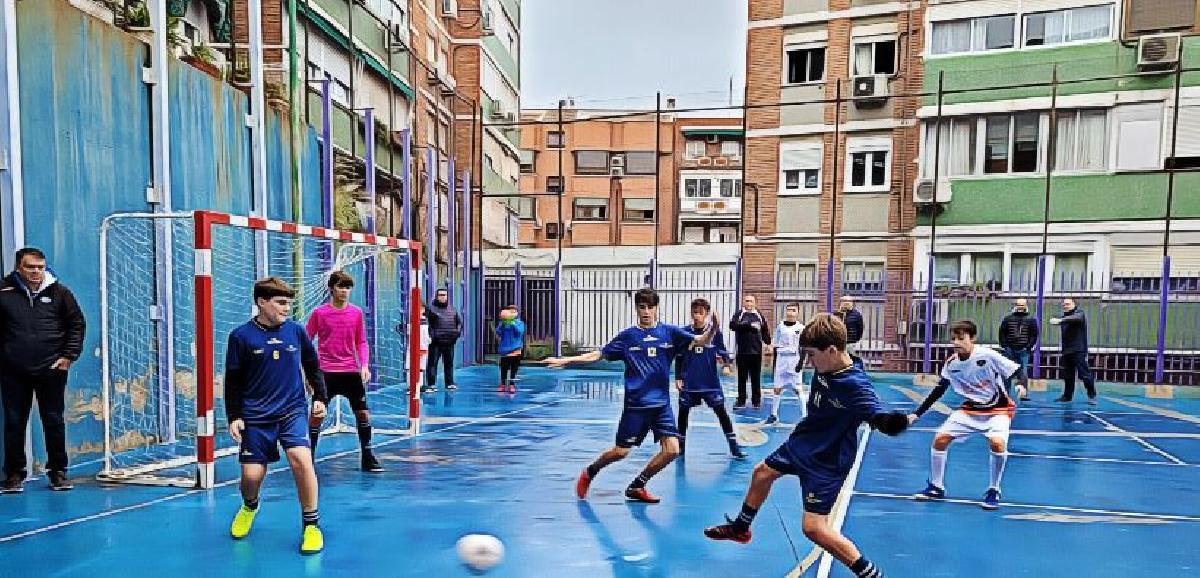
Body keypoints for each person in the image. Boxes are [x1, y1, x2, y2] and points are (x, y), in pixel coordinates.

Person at [704, 314, 909, 578]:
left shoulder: (855, 386)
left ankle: (870, 574)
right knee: (761, 473)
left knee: (813, 528)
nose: (809, 362)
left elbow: (876, 414)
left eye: (812, 355)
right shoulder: (831, 362)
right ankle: (741, 528)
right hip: (803, 441)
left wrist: (890, 422)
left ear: (832, 350)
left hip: (828, 458)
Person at [546, 287, 718, 504]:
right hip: (636, 405)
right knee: (620, 452)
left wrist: (714, 329)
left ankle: (638, 485)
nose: (646, 311)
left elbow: (701, 340)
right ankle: (591, 471)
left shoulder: (669, 332)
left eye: (650, 307)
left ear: (657, 308)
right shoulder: (628, 337)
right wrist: (564, 361)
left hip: (661, 405)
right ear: (637, 309)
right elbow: (598, 354)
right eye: (642, 307)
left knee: (672, 450)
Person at [225, 277, 328, 554]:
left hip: (292, 410)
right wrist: (234, 415)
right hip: (256, 416)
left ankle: (311, 526)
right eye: (280, 303)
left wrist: (320, 397)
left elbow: (312, 364)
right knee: (251, 477)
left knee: (301, 460)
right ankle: (249, 506)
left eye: (288, 303)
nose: (286, 309)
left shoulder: (296, 331)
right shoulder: (241, 337)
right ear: (261, 302)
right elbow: (232, 380)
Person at [909, 319, 1020, 511]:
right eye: (953, 338)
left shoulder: (987, 355)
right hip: (970, 410)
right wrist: (917, 414)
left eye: (961, 338)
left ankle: (994, 490)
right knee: (940, 439)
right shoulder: (952, 364)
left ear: (972, 338)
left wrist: (1021, 384)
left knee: (997, 443)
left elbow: (1016, 370)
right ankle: (936, 486)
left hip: (997, 410)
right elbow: (939, 389)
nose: (956, 342)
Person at [0, 248, 85, 494]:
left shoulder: (60, 293)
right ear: (19, 268)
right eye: (31, 267)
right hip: (13, 371)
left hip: (52, 370)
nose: (37, 272)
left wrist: (68, 356)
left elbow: (76, 324)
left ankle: (58, 472)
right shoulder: (4, 292)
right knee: (14, 422)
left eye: (40, 267)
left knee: (53, 420)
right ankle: (14, 475)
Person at [304, 271, 383, 472]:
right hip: (325, 373)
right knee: (317, 415)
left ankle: (367, 455)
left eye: (348, 288)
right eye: (341, 287)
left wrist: (364, 365)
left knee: (363, 414)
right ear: (331, 289)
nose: (344, 291)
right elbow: (306, 341)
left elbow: (361, 341)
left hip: (350, 372)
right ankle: (307, 459)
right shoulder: (319, 313)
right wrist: (308, 373)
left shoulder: (356, 313)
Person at [674, 298, 744, 459]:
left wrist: (726, 364)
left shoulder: (714, 333)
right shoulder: (685, 333)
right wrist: (678, 377)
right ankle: (681, 446)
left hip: (710, 382)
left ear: (706, 314)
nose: (697, 315)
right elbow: (679, 356)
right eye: (694, 312)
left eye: (700, 312)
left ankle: (734, 446)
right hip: (690, 381)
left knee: (721, 413)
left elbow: (723, 351)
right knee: (683, 413)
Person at [766, 304, 806, 426]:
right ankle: (773, 415)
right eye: (788, 310)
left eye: (793, 310)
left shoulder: (801, 328)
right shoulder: (780, 327)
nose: (790, 312)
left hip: (794, 359)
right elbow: (775, 344)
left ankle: (804, 416)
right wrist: (773, 362)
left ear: (797, 313)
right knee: (777, 388)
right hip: (781, 360)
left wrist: (800, 363)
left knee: (798, 389)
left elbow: (803, 347)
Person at [1050, 298, 1096, 405]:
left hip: (1078, 350)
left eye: (1068, 304)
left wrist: (1060, 320)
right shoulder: (1065, 317)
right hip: (1067, 350)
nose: (1065, 306)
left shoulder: (1079, 314)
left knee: (1084, 374)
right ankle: (1067, 396)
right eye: (1064, 304)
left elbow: (1077, 318)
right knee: (1068, 375)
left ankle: (1091, 394)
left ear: (1074, 304)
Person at [729, 295, 770, 409]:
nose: (748, 303)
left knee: (755, 378)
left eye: (751, 301)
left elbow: (765, 330)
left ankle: (756, 401)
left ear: (755, 303)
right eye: (746, 301)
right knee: (742, 378)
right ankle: (741, 400)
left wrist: (768, 342)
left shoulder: (759, 315)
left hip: (756, 352)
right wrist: (749, 325)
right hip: (742, 351)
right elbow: (732, 325)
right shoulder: (739, 314)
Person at [997, 298, 1038, 401]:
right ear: (1015, 306)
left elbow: (1034, 335)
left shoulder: (1031, 320)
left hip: (1024, 351)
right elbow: (1002, 333)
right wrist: (1005, 346)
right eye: (1019, 305)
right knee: (1007, 372)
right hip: (1009, 350)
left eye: (1022, 305)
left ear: (1025, 306)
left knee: (1023, 373)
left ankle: (1023, 394)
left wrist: (1028, 347)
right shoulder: (1007, 319)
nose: (1020, 307)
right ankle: (1005, 394)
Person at [424, 288, 461, 393]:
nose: (442, 297)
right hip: (436, 343)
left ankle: (449, 383)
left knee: (449, 363)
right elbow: (427, 323)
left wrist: (456, 333)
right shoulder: (431, 309)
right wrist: (432, 336)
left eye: (444, 295)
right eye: (440, 295)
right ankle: (431, 384)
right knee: (432, 363)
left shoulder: (452, 309)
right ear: (436, 296)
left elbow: (459, 323)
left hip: (450, 342)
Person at [495, 304, 526, 393]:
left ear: (516, 313)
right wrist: (503, 324)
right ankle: (502, 384)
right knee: (503, 368)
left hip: (516, 350)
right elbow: (498, 332)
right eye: (510, 311)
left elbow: (519, 332)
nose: (512, 313)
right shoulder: (503, 323)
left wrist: (513, 323)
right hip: (505, 349)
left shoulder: (519, 323)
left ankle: (512, 384)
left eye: (513, 311)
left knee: (514, 368)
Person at [836, 296, 864, 368]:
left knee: (850, 360)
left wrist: (855, 339)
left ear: (851, 303)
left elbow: (860, 328)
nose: (846, 303)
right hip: (838, 342)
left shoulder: (856, 315)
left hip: (850, 342)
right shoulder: (837, 314)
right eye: (844, 301)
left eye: (848, 302)